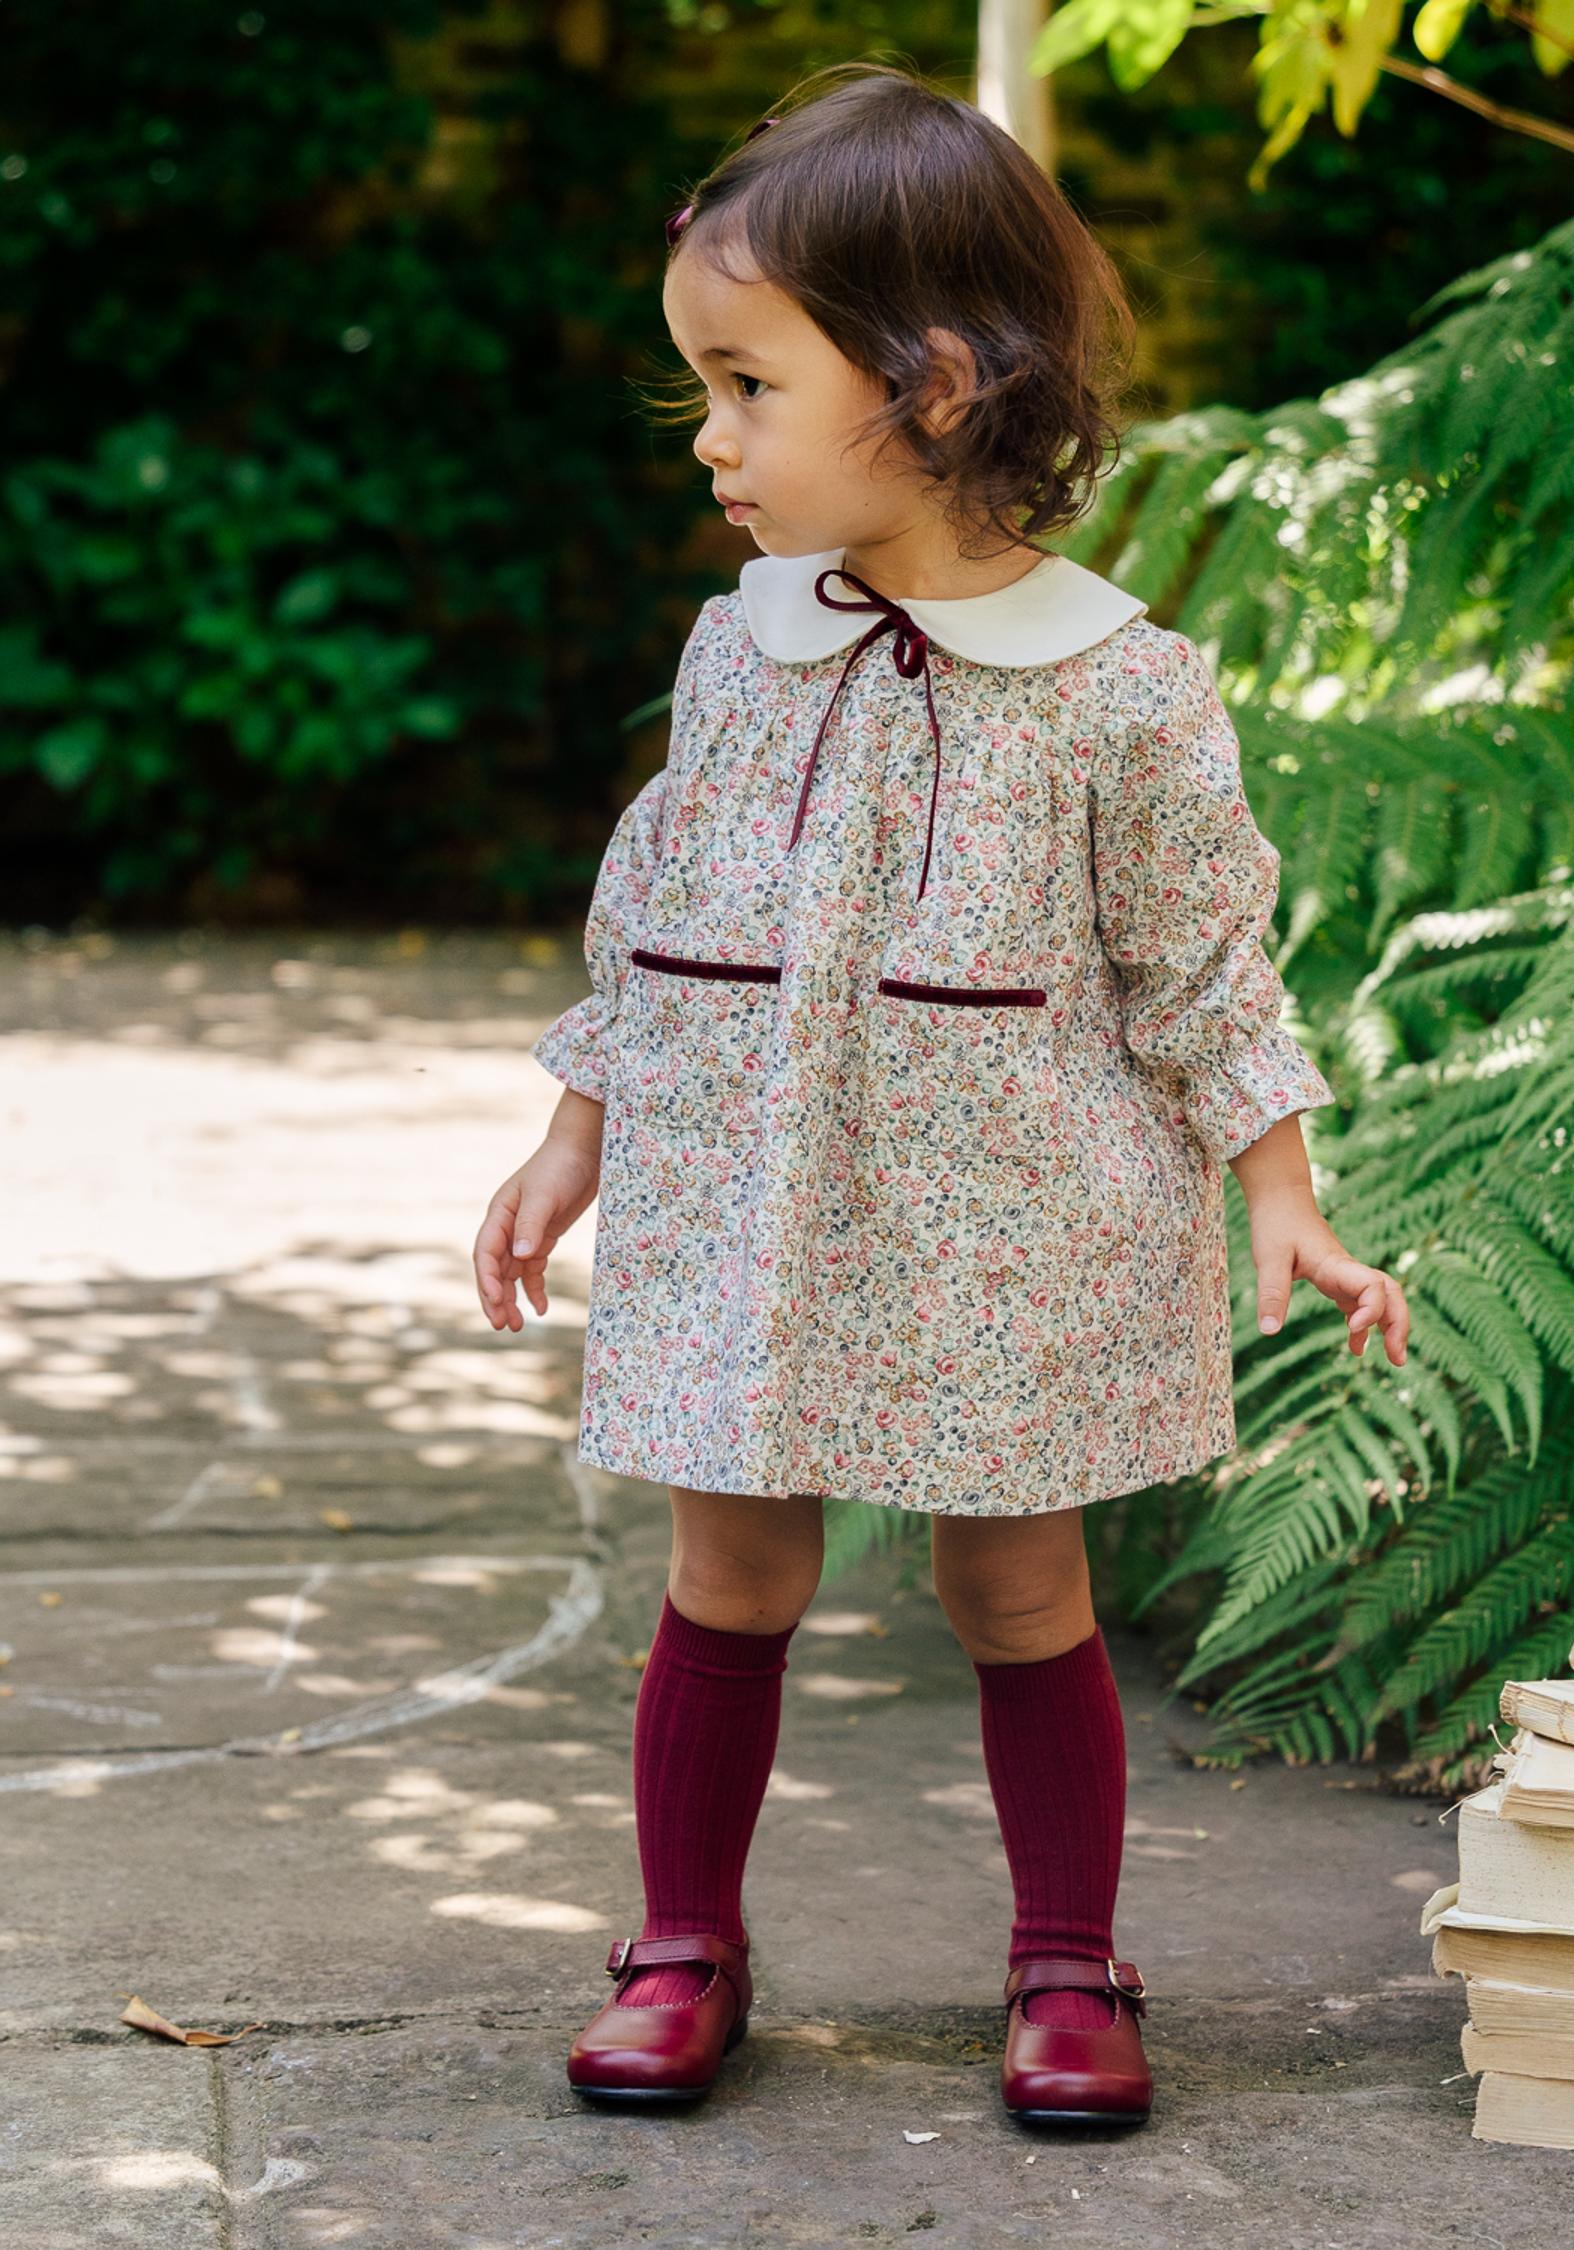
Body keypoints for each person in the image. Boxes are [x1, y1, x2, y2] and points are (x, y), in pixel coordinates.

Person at [472, 62, 1408, 2128]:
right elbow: (661, 898)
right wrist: (576, 1129)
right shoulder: (742, 650)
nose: (708, 440)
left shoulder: (1120, 685)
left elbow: (1199, 953)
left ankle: (1071, 1964)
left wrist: (1283, 1184)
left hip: (1017, 1212)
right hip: (753, 1188)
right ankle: (682, 1936)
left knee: (1018, 1584)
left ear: (937, 382)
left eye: (743, 387)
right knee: (733, 1570)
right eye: (699, 390)